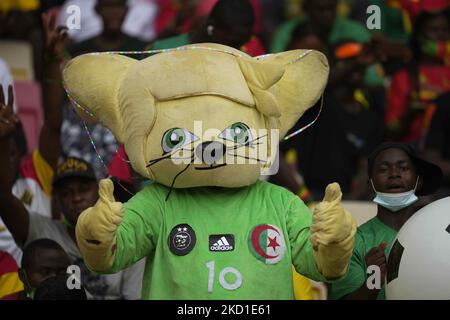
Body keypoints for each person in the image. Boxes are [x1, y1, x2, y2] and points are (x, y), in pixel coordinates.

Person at [0, 95, 144, 299]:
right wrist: (3, 141)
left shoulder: (125, 237)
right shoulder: (42, 232)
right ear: (56, 201)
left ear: (99, 190)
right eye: (67, 193)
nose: (76, 198)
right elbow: (3, 197)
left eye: (83, 189)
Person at [328, 142, 443, 300]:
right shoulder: (355, 243)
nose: (394, 174)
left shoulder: (437, 232)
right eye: (383, 169)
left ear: (419, 181)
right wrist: (373, 280)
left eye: (404, 168)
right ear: (370, 185)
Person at [277, 41, 385, 201]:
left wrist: (350, 202)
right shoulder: (315, 105)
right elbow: (316, 88)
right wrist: (304, 196)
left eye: (360, 62)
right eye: (346, 60)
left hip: (347, 200)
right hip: (307, 196)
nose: (358, 65)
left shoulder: (370, 118)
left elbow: (366, 168)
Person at [385, 10, 450, 147]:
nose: (440, 35)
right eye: (433, 30)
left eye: (445, 30)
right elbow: (390, 129)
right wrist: (410, 113)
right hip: (415, 151)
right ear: (419, 36)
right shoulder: (404, 77)